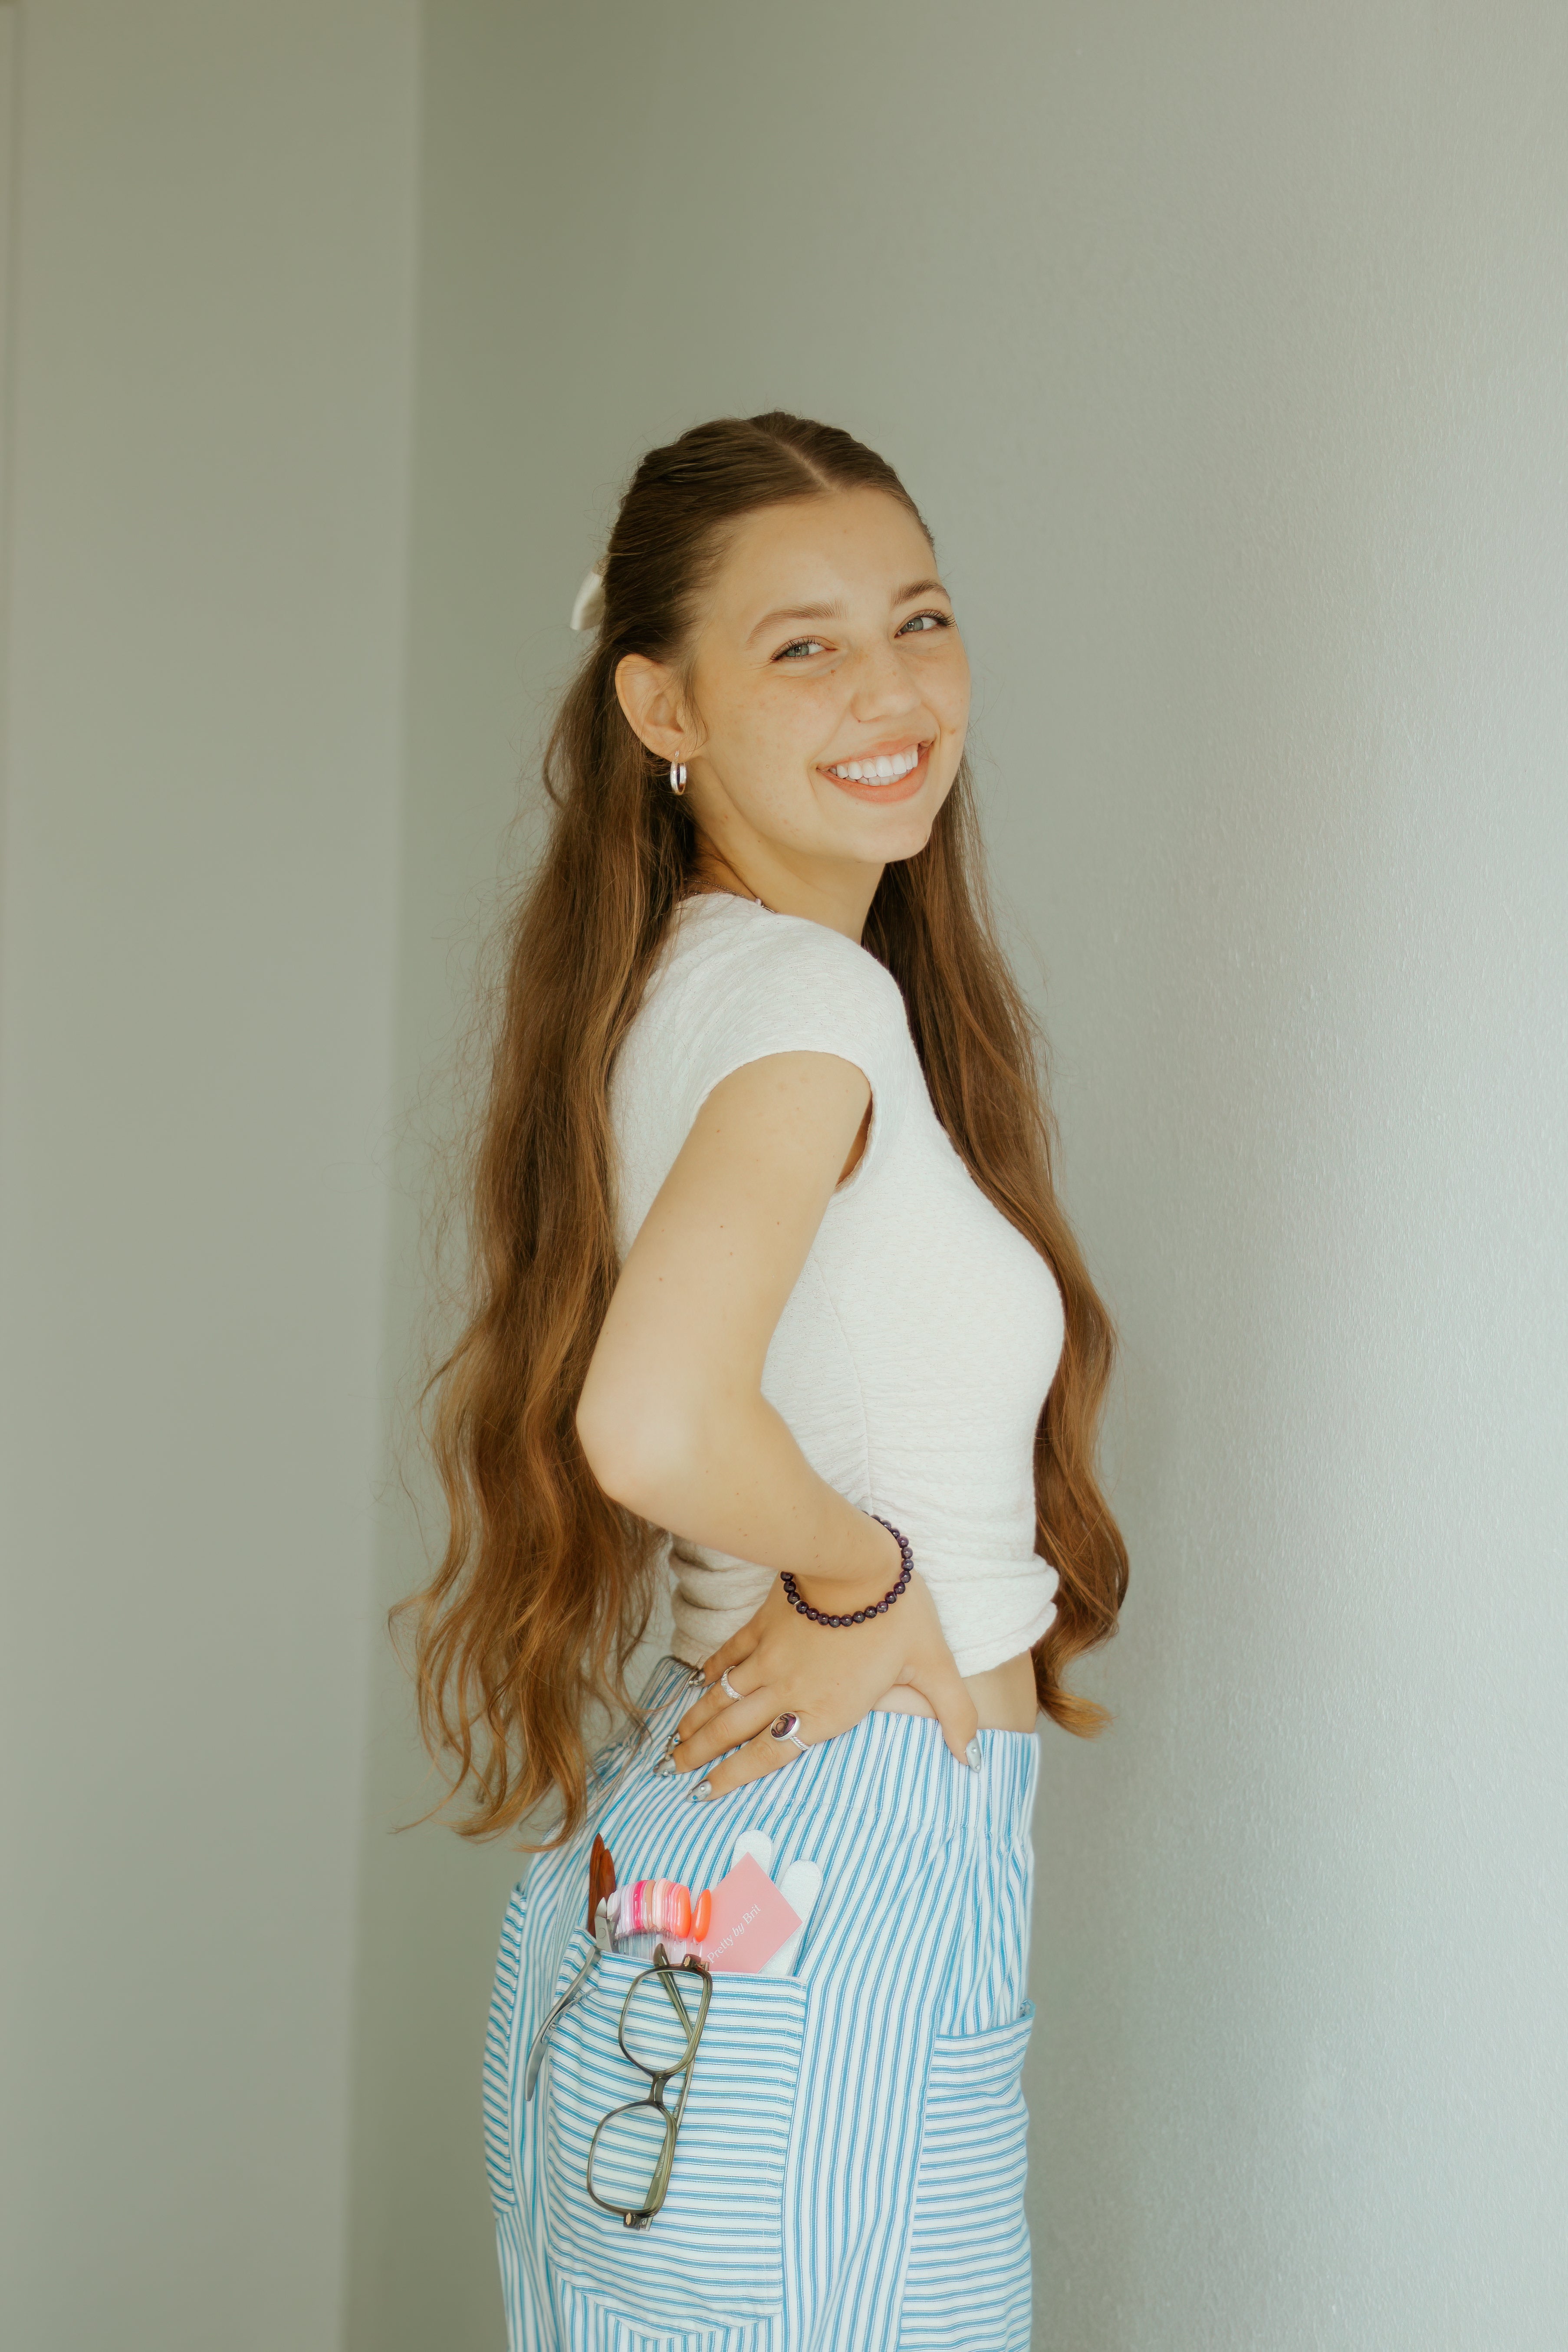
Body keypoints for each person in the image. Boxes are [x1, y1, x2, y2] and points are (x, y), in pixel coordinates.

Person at [402, 411, 1128, 2350]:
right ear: (663, 706)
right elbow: (651, 1419)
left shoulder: (686, 986)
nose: (891, 690)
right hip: (837, 1879)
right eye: (803, 646)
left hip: (702, 1872)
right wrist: (862, 1572)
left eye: (919, 620)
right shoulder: (810, 1001)